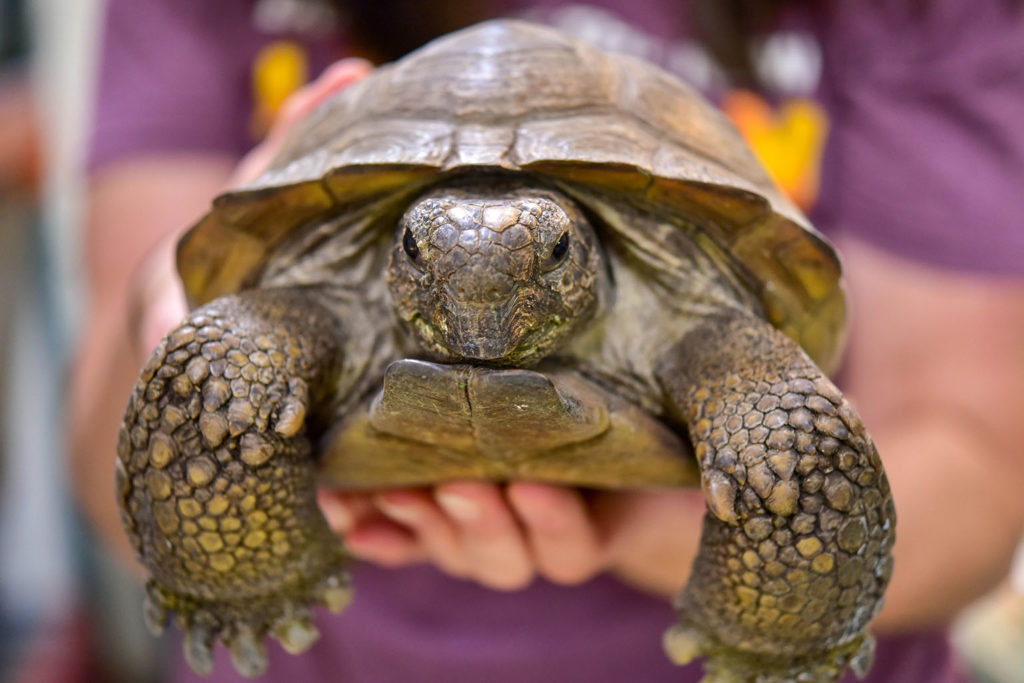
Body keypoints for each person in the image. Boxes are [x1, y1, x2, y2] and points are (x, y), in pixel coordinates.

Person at [70, 0, 1024, 681]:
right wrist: (166, 314)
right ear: (398, 253)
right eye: (426, 255)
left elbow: (976, 462)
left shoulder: (709, 340)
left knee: (782, 437)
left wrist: (763, 603)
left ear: (587, 254)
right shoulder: (307, 296)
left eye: (543, 254)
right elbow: (112, 453)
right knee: (217, 371)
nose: (476, 292)